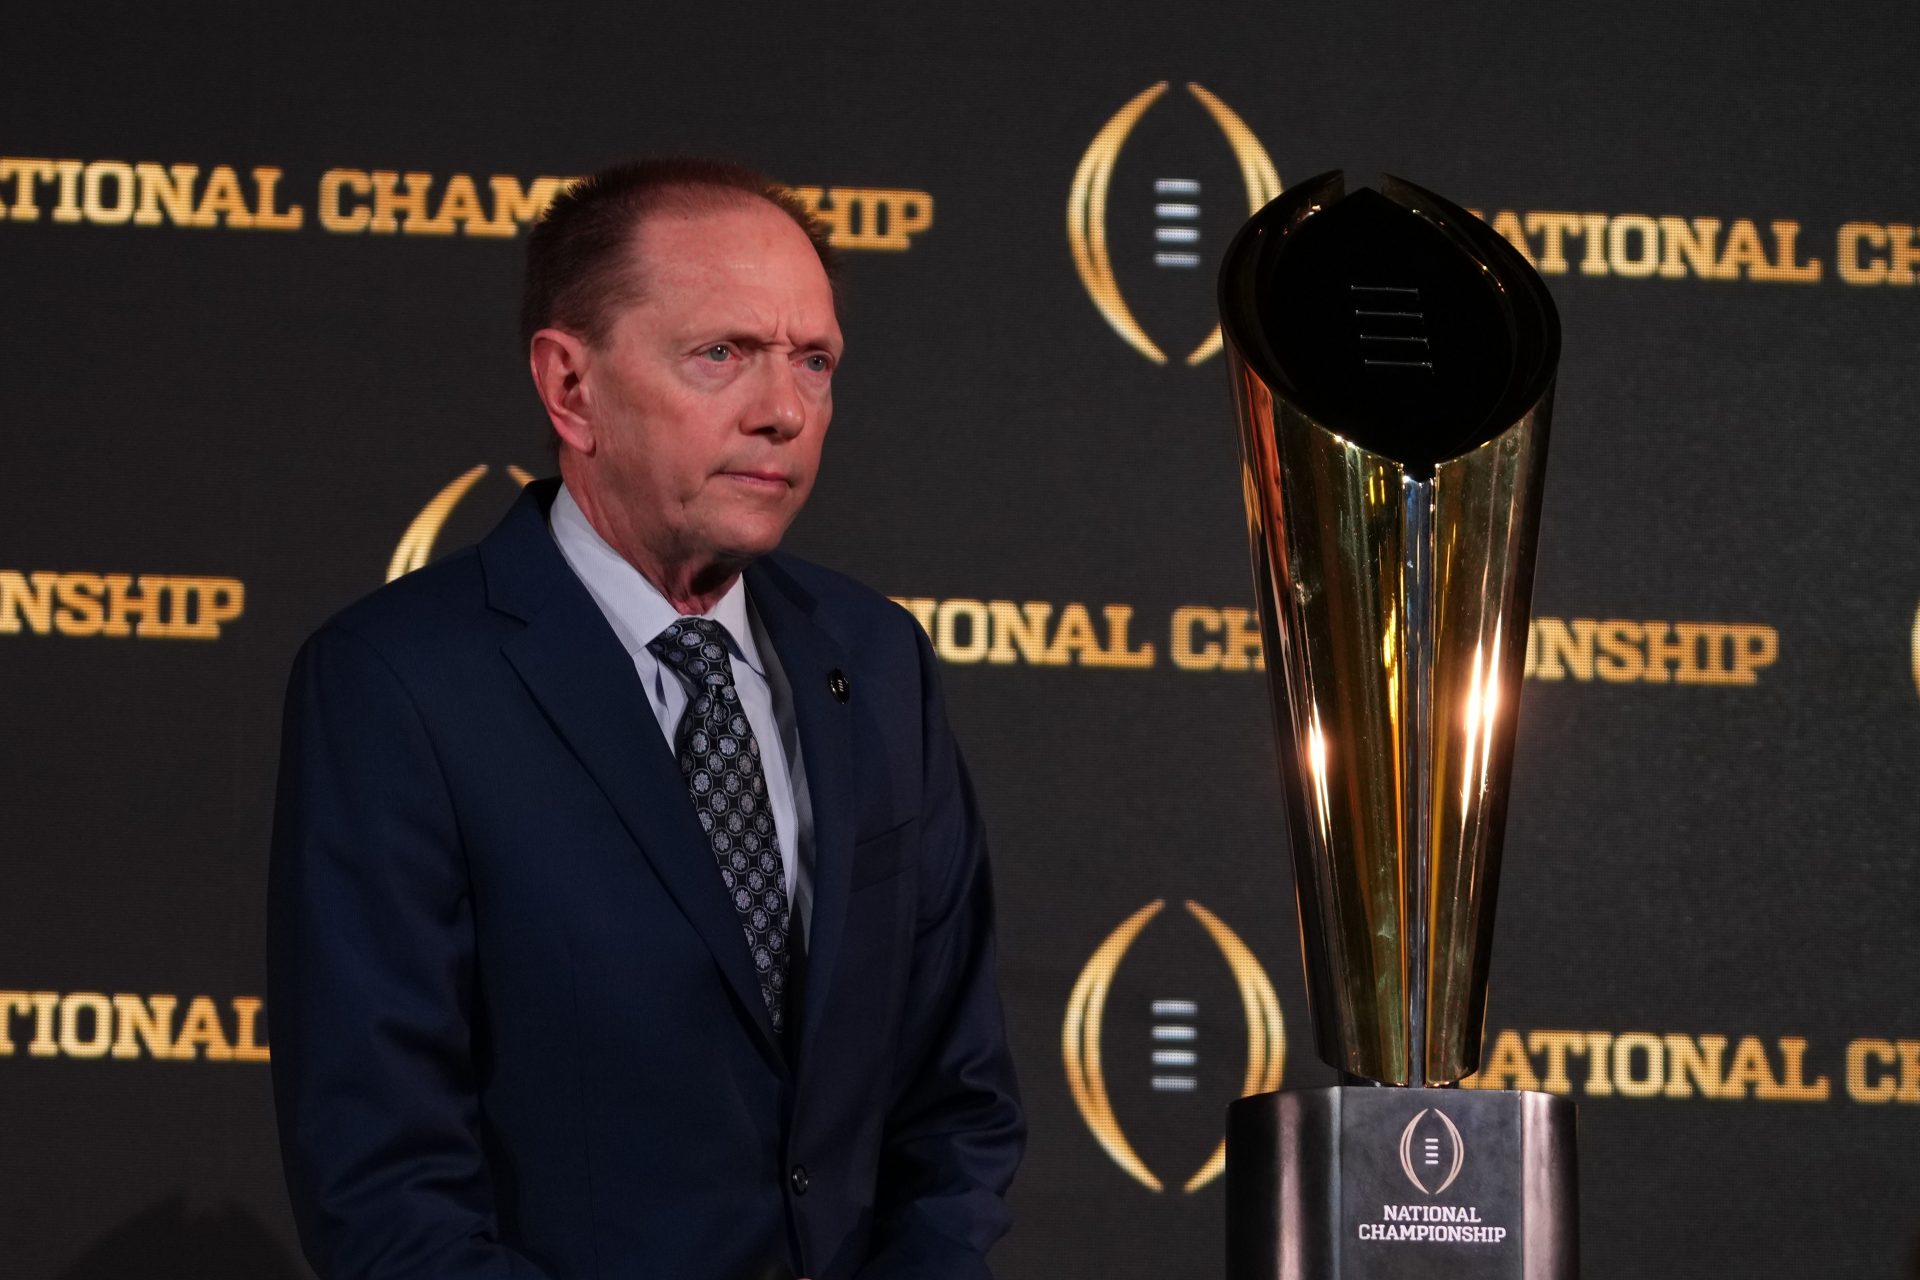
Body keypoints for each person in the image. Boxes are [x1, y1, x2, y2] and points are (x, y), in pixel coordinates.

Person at [267, 158, 1024, 1280]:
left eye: (813, 362)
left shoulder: (877, 658)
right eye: (721, 354)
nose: (783, 410)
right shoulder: (398, 683)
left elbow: (956, 1106)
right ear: (571, 387)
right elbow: (385, 1187)